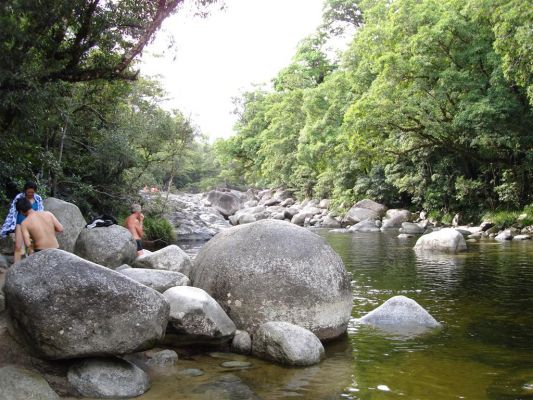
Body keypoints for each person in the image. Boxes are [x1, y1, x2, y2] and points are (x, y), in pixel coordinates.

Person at [1, 181, 44, 263]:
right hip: (20, 223)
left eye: (32, 192)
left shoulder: (38, 198)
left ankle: (31, 266)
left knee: (31, 247)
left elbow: (40, 211)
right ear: (25, 190)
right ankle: (15, 268)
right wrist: (9, 225)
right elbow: (12, 212)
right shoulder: (19, 197)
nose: (30, 194)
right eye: (29, 192)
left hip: (32, 225)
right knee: (18, 246)